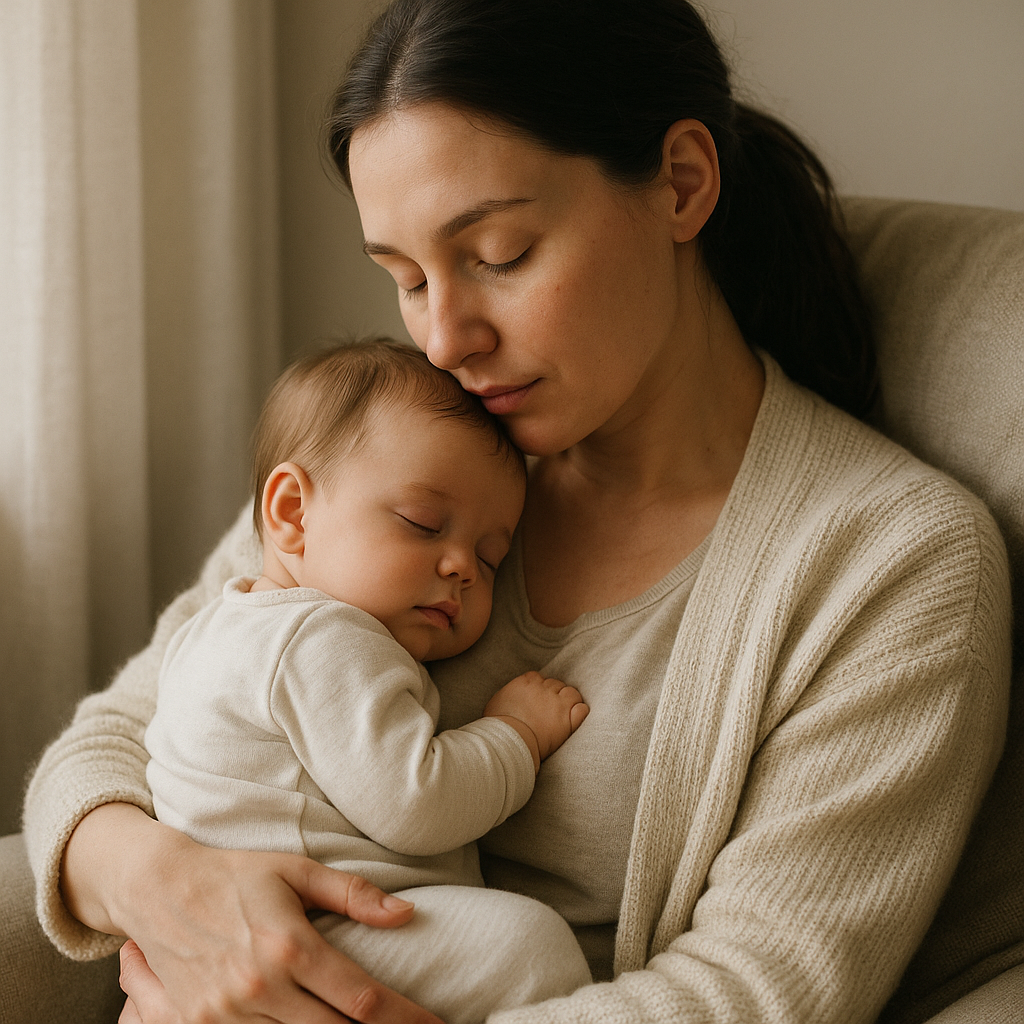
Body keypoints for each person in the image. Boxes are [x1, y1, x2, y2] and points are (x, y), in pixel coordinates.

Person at [23, 1, 1012, 1023]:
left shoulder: (892, 563)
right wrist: (170, 895)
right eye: (403, 278)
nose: (444, 340)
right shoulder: (394, 461)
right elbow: (115, 735)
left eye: (497, 253)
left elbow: (753, 993)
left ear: (680, 183)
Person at [141, 339, 592, 1023]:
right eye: (422, 523)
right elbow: (418, 801)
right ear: (291, 513)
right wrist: (518, 734)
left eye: (491, 557)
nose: (463, 568)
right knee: (532, 949)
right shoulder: (323, 638)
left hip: (240, 945)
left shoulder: (214, 629)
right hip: (319, 936)